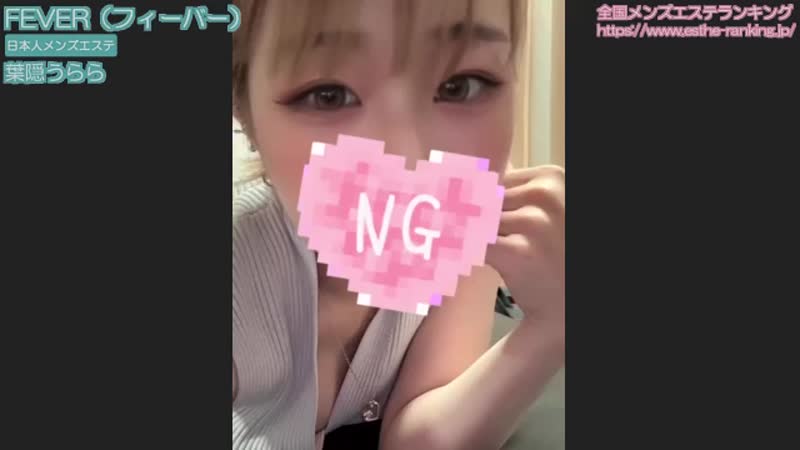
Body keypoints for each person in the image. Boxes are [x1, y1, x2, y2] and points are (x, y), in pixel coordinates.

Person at [231, 1, 565, 449]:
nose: (409, 159)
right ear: (243, 110)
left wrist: (553, 326)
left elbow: (420, 437)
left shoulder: (472, 217)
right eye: (328, 95)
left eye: (461, 86)